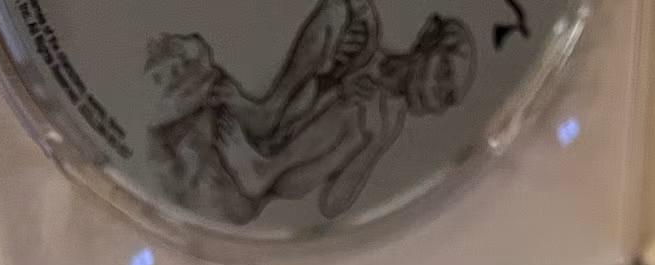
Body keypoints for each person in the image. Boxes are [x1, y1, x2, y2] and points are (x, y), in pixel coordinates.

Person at [145, 7, 477, 227]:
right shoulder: (371, 47)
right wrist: (333, 74)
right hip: (276, 122)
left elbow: (334, 204)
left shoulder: (384, 121)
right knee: (345, 10)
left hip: (279, 172)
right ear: (428, 37)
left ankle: (263, 169)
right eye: (443, 70)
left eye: (447, 96)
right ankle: (267, 109)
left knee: (364, 110)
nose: (435, 91)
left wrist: (370, 145)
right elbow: (315, 91)